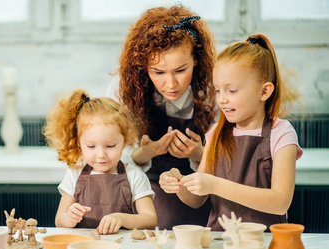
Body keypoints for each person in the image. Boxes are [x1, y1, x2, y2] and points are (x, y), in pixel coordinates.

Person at [159, 33, 303, 231]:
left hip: (265, 242)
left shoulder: (281, 133)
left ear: (264, 92)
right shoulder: (215, 133)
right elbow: (196, 200)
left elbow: (280, 202)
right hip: (221, 241)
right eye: (218, 90)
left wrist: (214, 185)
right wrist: (178, 182)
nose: (221, 100)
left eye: (231, 91)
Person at [106, 5, 217, 229]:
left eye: (180, 70)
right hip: (145, 197)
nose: (171, 84)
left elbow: (235, 158)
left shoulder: (215, 89)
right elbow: (105, 154)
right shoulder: (123, 88)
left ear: (196, 59)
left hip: (203, 196)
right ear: (143, 66)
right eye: (158, 72)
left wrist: (201, 154)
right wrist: (141, 154)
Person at [43, 89, 157, 235]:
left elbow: (150, 219)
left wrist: (121, 218)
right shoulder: (75, 174)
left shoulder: (134, 176)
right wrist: (70, 217)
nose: (101, 155)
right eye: (91, 146)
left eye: (110, 146)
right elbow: (59, 219)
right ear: (79, 144)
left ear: (125, 141)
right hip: (83, 247)